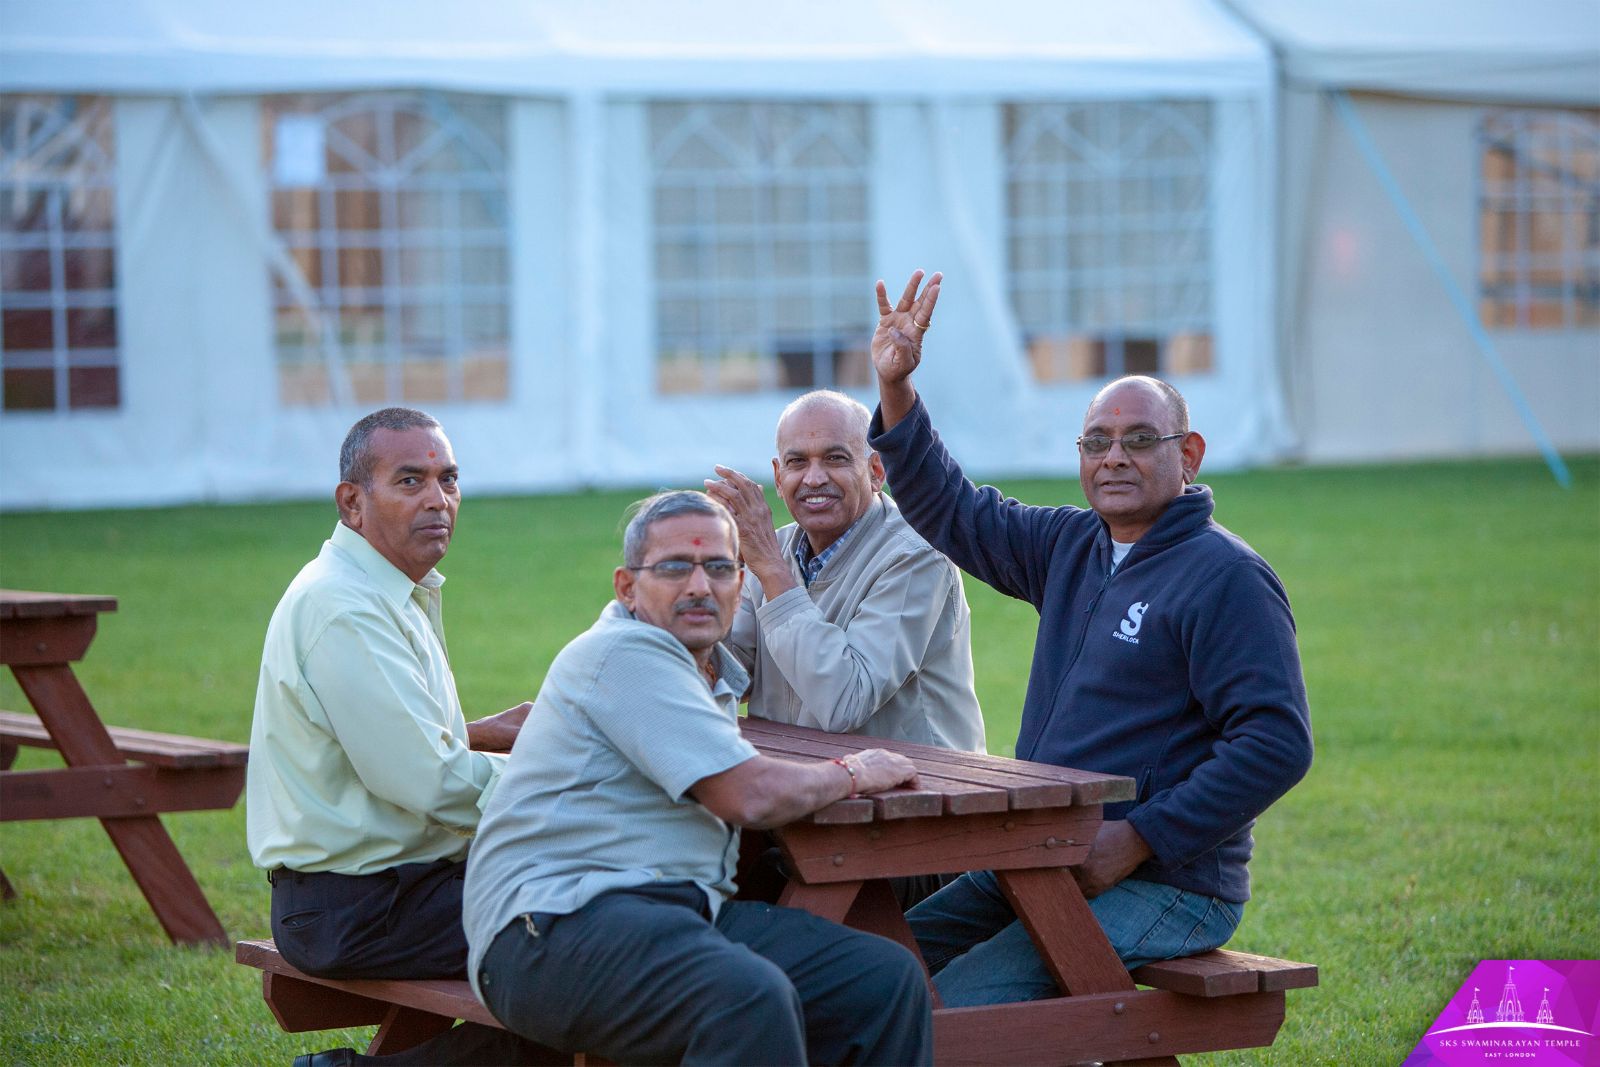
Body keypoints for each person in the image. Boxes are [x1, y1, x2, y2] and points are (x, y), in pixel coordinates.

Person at [867, 271, 1315, 1007]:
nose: (1114, 457)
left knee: (951, 1006)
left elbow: (1277, 743)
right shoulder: (1071, 545)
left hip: (1167, 882)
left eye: (1140, 441)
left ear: (1189, 454)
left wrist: (1137, 838)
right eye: (1097, 442)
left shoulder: (1227, 577)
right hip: (1044, 853)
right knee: (872, 967)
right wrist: (896, 387)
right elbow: (955, 510)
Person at [463, 491, 934, 1066]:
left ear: (741, 584)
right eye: (673, 568)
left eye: (717, 568)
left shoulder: (707, 675)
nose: (699, 586)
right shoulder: (624, 652)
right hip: (548, 931)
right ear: (627, 587)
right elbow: (748, 794)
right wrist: (853, 771)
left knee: (882, 980)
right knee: (745, 999)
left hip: (675, 915)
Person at [247, 407, 544, 1067]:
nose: (438, 499)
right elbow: (431, 782)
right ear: (352, 503)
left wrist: (478, 732)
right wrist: (574, 783)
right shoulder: (345, 607)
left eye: (449, 479)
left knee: (606, 919)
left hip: (388, 890)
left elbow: (378, 742)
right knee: (605, 937)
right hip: (360, 906)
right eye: (410, 480)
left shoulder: (378, 590)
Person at [706, 388, 985, 753]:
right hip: (800, 776)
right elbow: (730, 678)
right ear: (778, 477)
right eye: (797, 462)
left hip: (920, 783)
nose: (814, 478)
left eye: (835, 459)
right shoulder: (771, 550)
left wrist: (772, 569)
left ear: (875, 471)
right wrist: (708, 580)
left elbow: (846, 701)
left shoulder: (917, 556)